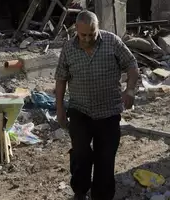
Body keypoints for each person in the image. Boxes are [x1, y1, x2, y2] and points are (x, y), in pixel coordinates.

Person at [55, 11, 139, 200]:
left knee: (105, 159)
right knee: (81, 154)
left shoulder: (112, 42)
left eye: (91, 34)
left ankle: (102, 196)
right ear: (76, 30)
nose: (87, 39)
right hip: (80, 110)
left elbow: (132, 66)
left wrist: (130, 90)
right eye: (83, 35)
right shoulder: (68, 48)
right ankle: (80, 190)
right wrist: (59, 108)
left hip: (109, 112)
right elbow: (61, 79)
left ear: (97, 28)